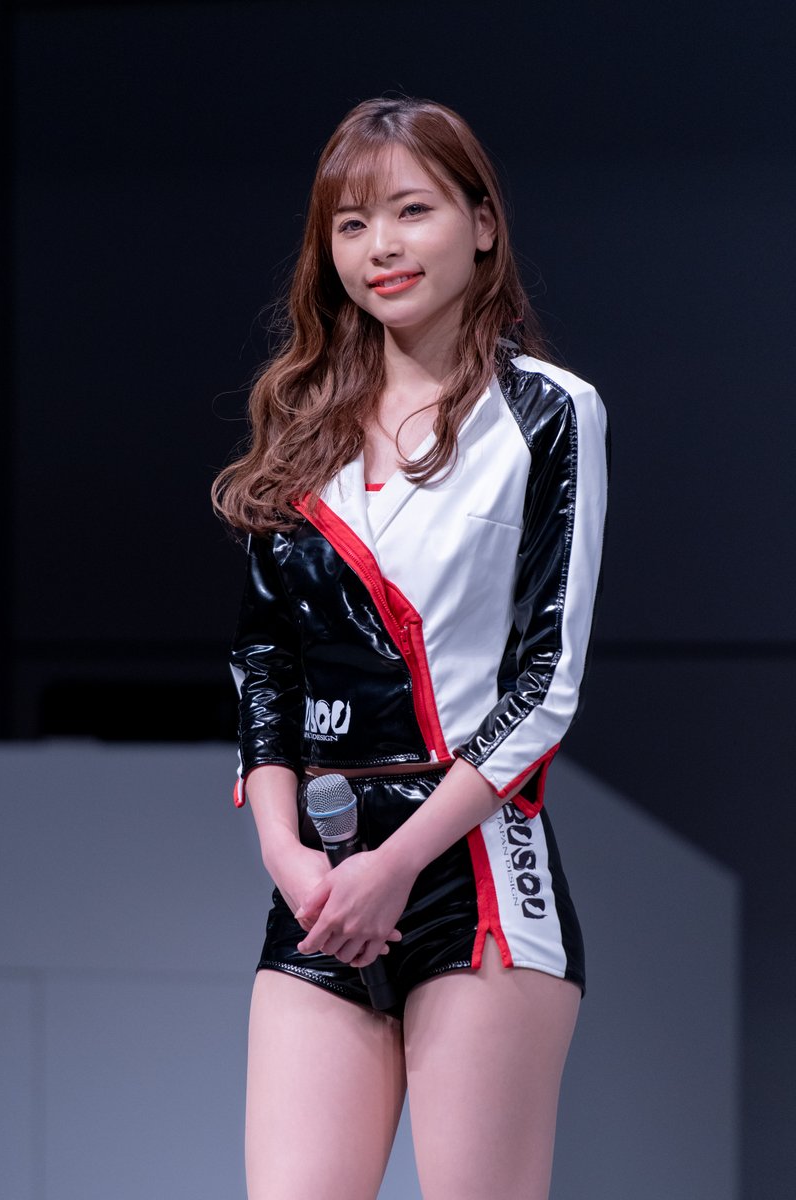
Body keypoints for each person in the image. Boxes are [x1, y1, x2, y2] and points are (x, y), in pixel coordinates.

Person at [213, 96, 608, 1200]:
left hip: (471, 867)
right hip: (322, 879)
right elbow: (264, 665)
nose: (379, 246)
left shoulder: (548, 413)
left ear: (481, 224)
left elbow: (546, 682)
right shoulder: (302, 427)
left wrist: (394, 867)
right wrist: (287, 856)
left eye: (411, 210)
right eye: (349, 224)